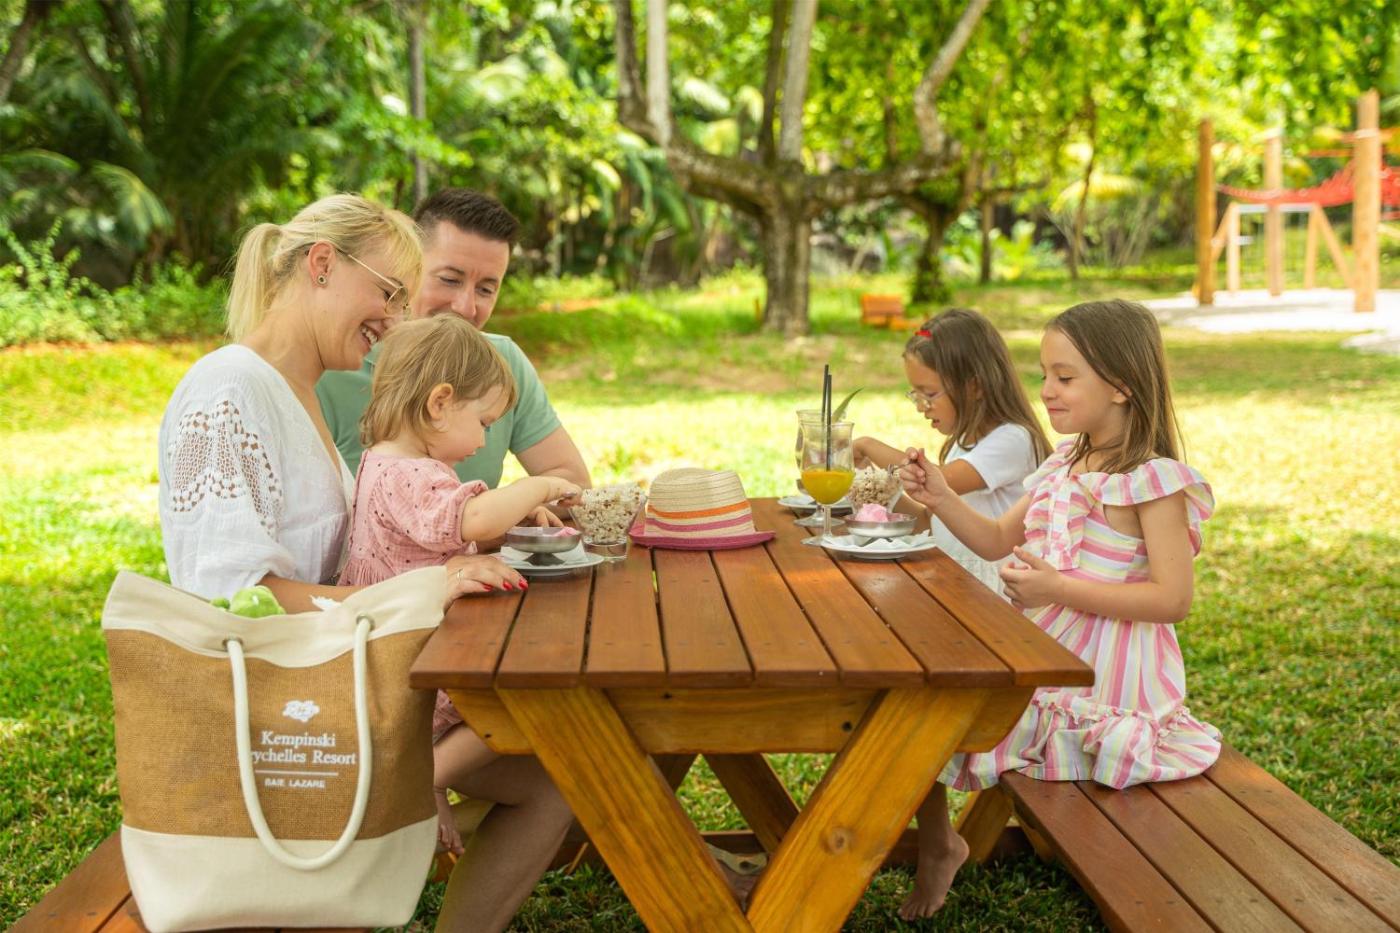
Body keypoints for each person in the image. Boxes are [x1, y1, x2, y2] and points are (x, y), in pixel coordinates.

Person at [157, 194, 572, 933]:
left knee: (553, 778)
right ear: (322, 264)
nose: (398, 317)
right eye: (389, 293)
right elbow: (234, 603)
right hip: (290, 727)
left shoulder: (301, 391)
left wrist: (462, 554)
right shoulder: (228, 389)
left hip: (347, 692)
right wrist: (426, 588)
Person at [896, 299, 1220, 920]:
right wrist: (938, 495)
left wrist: (1057, 589)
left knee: (936, 714)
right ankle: (939, 843)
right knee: (920, 706)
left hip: (1110, 680)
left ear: (1122, 385)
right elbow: (996, 539)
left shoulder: (1154, 481)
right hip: (1048, 654)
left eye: (1065, 377)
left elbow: (1173, 599)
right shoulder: (1064, 462)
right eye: (1045, 374)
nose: (1046, 390)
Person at [340, 313, 582, 860]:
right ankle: (426, 777)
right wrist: (538, 485)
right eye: (484, 421)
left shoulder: (384, 462)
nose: (485, 438)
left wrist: (514, 516)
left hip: (400, 655)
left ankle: (432, 779)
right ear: (440, 402)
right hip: (417, 669)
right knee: (526, 693)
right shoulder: (410, 473)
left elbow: (446, 532)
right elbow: (471, 518)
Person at [317, 188, 591, 492]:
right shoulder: (336, 367)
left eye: (485, 289)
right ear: (409, 268)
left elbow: (571, 480)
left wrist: (488, 513)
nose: (465, 307)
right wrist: (475, 515)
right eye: (449, 280)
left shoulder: (503, 363)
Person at [853, 308, 1050, 594]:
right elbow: (929, 521)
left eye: (929, 394)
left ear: (975, 387)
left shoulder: (1014, 439)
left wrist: (867, 445)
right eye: (916, 395)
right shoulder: (964, 444)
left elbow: (937, 482)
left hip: (994, 596)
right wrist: (875, 490)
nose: (921, 406)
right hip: (956, 586)